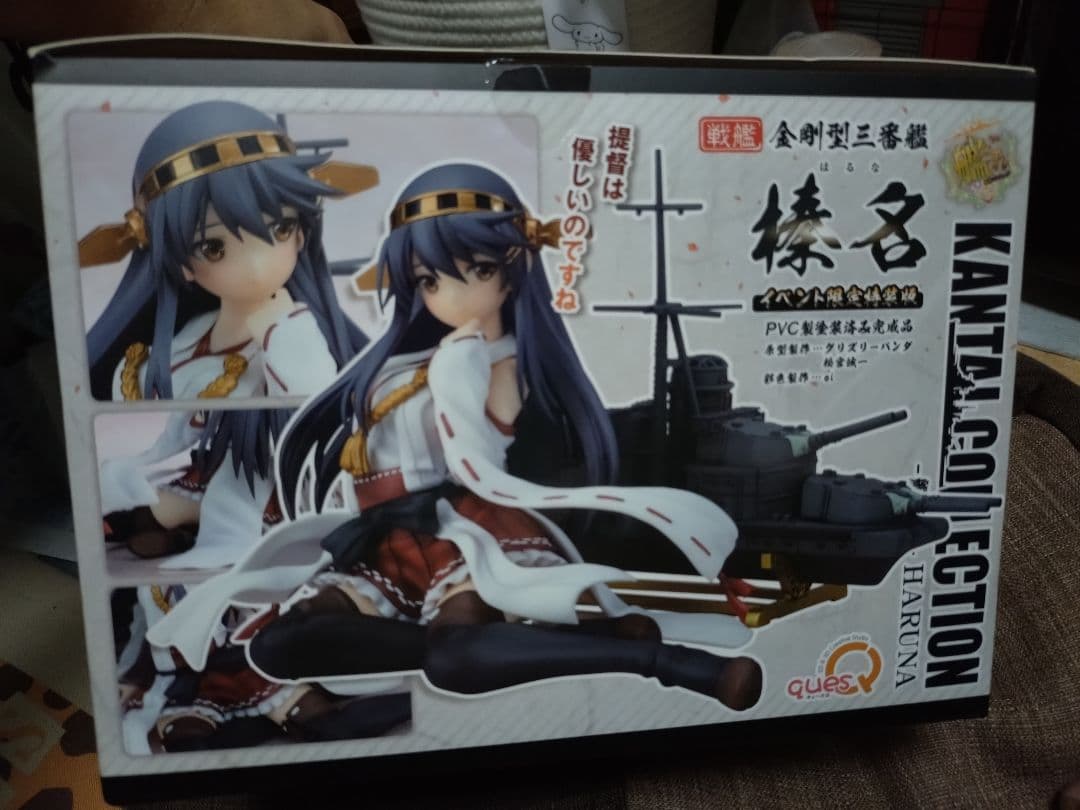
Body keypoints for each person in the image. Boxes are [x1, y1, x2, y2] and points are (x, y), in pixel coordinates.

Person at [150, 162, 762, 714]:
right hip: (383, 539)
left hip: (463, 533)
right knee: (281, 644)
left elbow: (478, 451)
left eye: (479, 270)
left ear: (514, 267)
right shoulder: (403, 362)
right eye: (430, 280)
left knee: (457, 654)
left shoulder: (501, 363)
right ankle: (546, 642)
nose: (453, 293)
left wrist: (460, 368)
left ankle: (660, 662)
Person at [84, 100, 372, 568]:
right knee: (132, 491)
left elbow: (315, 409)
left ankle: (179, 520)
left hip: (271, 481)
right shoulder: (180, 342)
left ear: (301, 233)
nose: (256, 266)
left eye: (279, 227)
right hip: (201, 467)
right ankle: (167, 518)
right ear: (181, 263)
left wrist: (281, 338)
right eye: (213, 246)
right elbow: (164, 428)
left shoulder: (296, 335)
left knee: (183, 506)